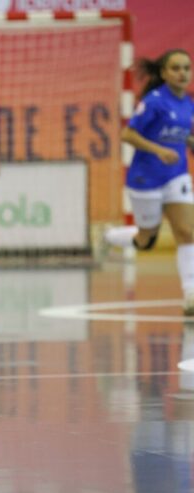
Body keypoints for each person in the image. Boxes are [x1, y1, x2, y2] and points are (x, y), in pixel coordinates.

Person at [103, 49, 194, 314]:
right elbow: (127, 134)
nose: (182, 73)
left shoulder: (188, 103)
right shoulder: (154, 102)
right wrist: (158, 150)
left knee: (187, 231)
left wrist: (188, 142)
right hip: (146, 178)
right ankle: (109, 237)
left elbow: (180, 136)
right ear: (164, 73)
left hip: (177, 174)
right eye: (176, 68)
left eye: (186, 68)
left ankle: (190, 295)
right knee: (146, 240)